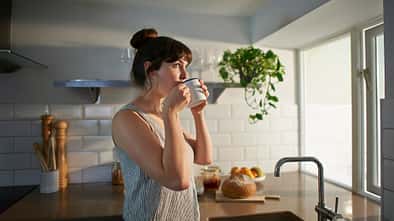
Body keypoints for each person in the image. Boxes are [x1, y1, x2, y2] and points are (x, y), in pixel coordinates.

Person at [112, 28, 213, 221]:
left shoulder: (163, 116)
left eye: (185, 66)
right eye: (176, 65)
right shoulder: (128, 119)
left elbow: (204, 157)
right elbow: (177, 180)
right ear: (151, 70)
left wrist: (197, 113)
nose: (185, 74)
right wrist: (171, 112)